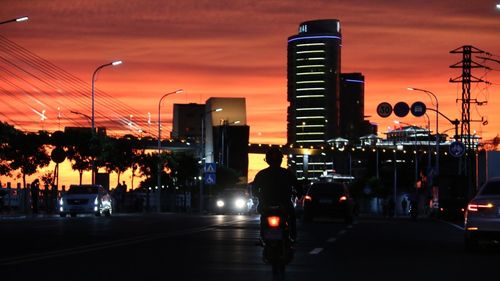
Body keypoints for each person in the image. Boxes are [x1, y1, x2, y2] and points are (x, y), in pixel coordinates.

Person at [253, 147, 298, 241]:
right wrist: (299, 193)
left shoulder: (262, 174)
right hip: (283, 203)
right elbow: (297, 186)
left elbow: (254, 189)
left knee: (264, 217)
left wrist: (258, 196)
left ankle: (262, 237)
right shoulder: (287, 173)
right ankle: (292, 236)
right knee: (292, 216)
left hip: (267, 204)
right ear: (280, 160)